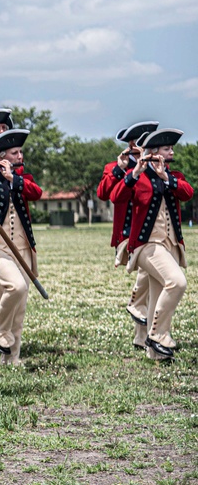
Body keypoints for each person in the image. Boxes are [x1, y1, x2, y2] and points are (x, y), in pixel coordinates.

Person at [110, 128, 192, 361]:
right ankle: (157, 335)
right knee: (176, 282)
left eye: (170, 149)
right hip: (147, 245)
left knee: (157, 293)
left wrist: (166, 177)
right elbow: (116, 197)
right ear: (153, 153)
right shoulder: (140, 179)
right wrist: (135, 172)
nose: (171, 153)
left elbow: (187, 193)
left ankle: (155, 353)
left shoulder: (173, 176)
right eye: (167, 149)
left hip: (169, 245)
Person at [0, 129, 41, 365]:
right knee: (15, 288)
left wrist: (12, 179)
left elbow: (36, 193)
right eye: (15, 153)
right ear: (2, 156)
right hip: (0, 248)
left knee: (21, 303)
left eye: (20, 152)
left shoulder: (22, 178)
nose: (20, 156)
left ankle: (12, 356)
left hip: (24, 247)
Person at [97, 121, 158, 350]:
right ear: (132, 144)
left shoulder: (157, 167)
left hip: (152, 231)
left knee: (153, 280)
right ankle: (135, 303)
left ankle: (142, 337)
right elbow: (105, 194)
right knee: (149, 270)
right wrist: (119, 170)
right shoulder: (115, 166)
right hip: (128, 234)